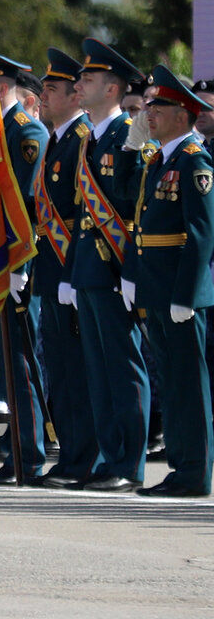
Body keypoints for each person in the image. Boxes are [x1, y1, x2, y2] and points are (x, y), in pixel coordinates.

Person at [118, 65, 214, 497]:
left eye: (160, 106)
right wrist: (134, 276)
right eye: (150, 104)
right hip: (157, 286)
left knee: (188, 386)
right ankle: (180, 466)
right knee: (172, 384)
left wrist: (188, 294)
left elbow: (201, 233)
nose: (150, 112)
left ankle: (194, 471)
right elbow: (138, 220)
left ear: (184, 114)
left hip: (179, 290)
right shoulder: (160, 158)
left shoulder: (195, 160)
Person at [58, 37, 149, 493]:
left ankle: (128, 463)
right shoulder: (92, 136)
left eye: (88, 79)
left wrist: (130, 270)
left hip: (115, 268)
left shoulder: (125, 134)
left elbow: (136, 208)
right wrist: (73, 272)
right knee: (98, 370)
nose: (79, 84)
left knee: (121, 366)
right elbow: (82, 214)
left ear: (112, 89)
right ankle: (108, 457)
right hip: (90, 269)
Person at [0, 53, 50, 484]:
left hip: (15, 260)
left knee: (18, 361)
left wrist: (16, 263)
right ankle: (13, 451)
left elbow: (26, 204)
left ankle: (28, 454)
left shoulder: (25, 130)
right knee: (1, 363)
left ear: (3, 85)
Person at [34, 49, 99, 490]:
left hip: (72, 264)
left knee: (78, 369)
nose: (44, 96)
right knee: (60, 367)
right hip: (51, 264)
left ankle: (84, 458)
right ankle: (72, 455)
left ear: (76, 97)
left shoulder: (82, 139)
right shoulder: (58, 138)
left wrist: (74, 271)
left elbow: (86, 211)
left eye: (53, 89)